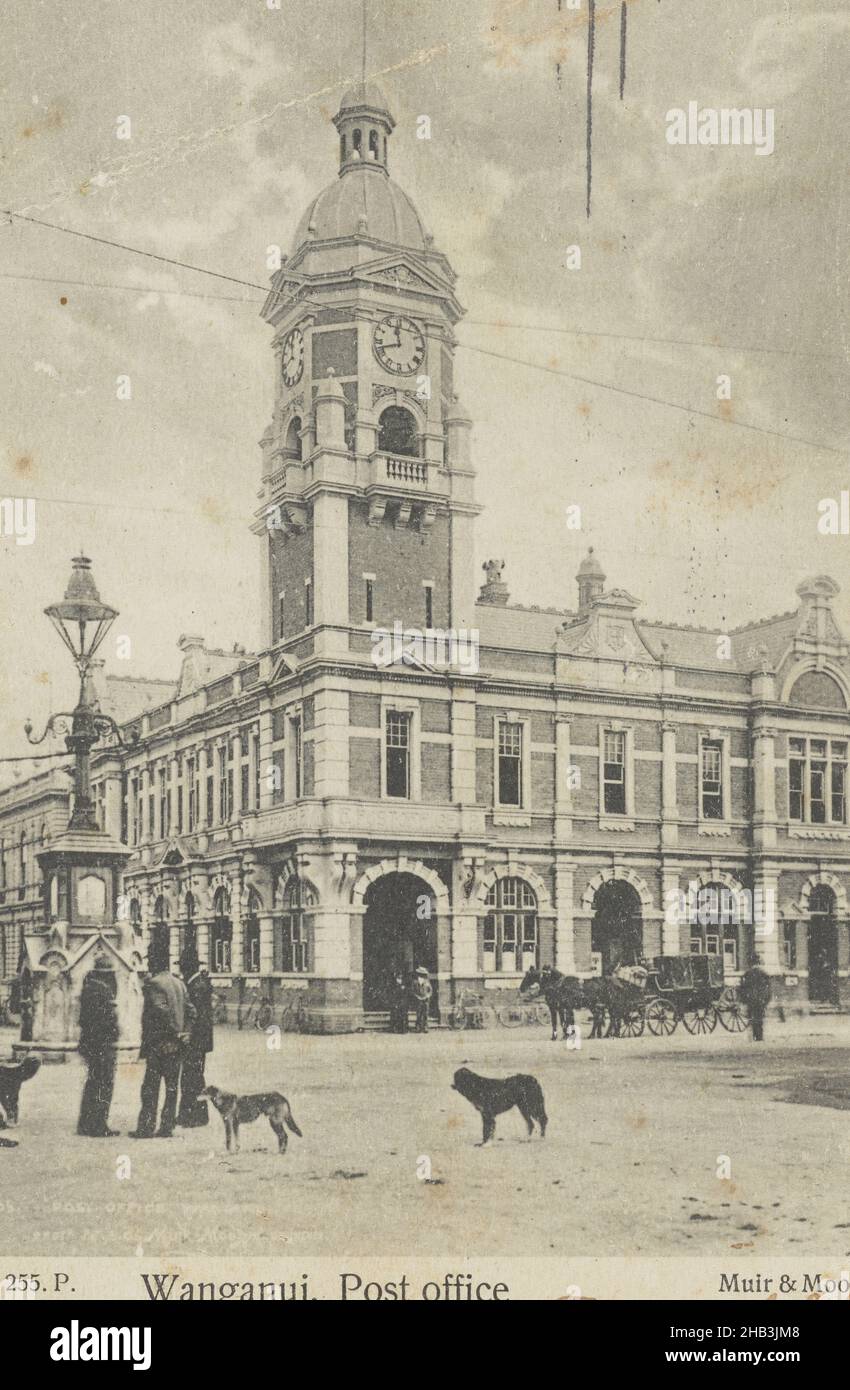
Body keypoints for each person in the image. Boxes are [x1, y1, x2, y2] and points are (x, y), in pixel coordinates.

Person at [130, 949, 195, 1139]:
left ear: (156, 964)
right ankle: (167, 1127)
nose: (149, 966)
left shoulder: (154, 984)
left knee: (150, 1087)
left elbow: (161, 1010)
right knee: (172, 1087)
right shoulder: (180, 983)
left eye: (151, 963)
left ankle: (146, 1127)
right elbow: (192, 1012)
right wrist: (185, 1033)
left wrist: (173, 1032)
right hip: (177, 1045)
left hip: (159, 1044)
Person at [76, 953, 120, 1138]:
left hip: (91, 1043)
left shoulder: (89, 988)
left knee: (93, 1083)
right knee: (103, 1084)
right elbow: (107, 1020)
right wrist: (114, 1032)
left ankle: (85, 1124)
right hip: (102, 1044)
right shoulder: (101, 991)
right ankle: (99, 1125)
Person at [177, 952, 214, 1127]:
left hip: (196, 1040)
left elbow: (197, 1017)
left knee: (192, 1077)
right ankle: (194, 1115)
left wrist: (189, 1036)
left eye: (182, 966)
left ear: (187, 967)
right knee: (194, 1076)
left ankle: (194, 1116)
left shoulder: (196, 986)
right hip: (200, 1040)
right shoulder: (196, 983)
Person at [739, 955, 772, 1042]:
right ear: (758, 963)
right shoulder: (764, 974)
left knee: (751, 1018)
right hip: (761, 1000)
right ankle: (759, 1037)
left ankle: (753, 1036)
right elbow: (768, 988)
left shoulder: (747, 974)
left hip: (751, 1000)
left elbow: (742, 988)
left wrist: (744, 1000)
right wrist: (767, 1000)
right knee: (759, 1018)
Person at [412, 966, 432, 1034]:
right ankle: (418, 1027)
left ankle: (425, 1027)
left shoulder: (427, 981)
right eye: (420, 974)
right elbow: (413, 991)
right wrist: (417, 997)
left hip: (425, 999)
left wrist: (428, 996)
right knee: (419, 1014)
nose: (422, 975)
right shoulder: (415, 982)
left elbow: (430, 990)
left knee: (425, 1014)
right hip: (418, 999)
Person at [388, 969, 409, 1034]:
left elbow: (406, 994)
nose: (400, 978)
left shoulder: (404, 984)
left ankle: (403, 1029)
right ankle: (395, 1029)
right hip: (396, 1002)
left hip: (403, 1002)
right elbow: (392, 994)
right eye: (398, 977)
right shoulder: (393, 985)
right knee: (395, 1016)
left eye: (400, 977)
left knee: (403, 1016)